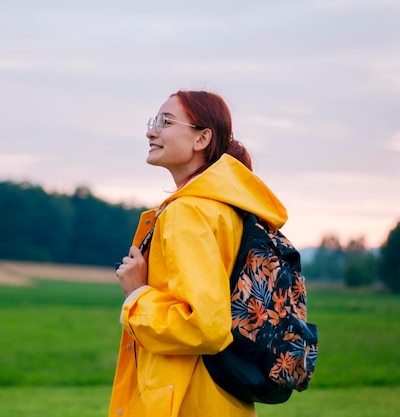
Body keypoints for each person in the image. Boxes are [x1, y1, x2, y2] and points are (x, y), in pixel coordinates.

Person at [108, 90, 289, 417]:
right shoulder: (227, 210)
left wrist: (137, 295)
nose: (151, 131)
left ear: (202, 138)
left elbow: (204, 324)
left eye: (166, 122)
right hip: (221, 398)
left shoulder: (189, 212)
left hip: (186, 400)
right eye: (153, 122)